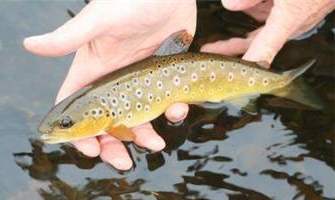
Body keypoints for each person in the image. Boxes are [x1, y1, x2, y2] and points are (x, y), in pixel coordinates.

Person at [24, 0, 335, 170]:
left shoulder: (114, 122)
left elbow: (125, 132)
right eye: (64, 123)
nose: (56, 130)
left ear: (99, 114)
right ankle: (281, 83)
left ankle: (283, 84)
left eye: (66, 124)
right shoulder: (104, 114)